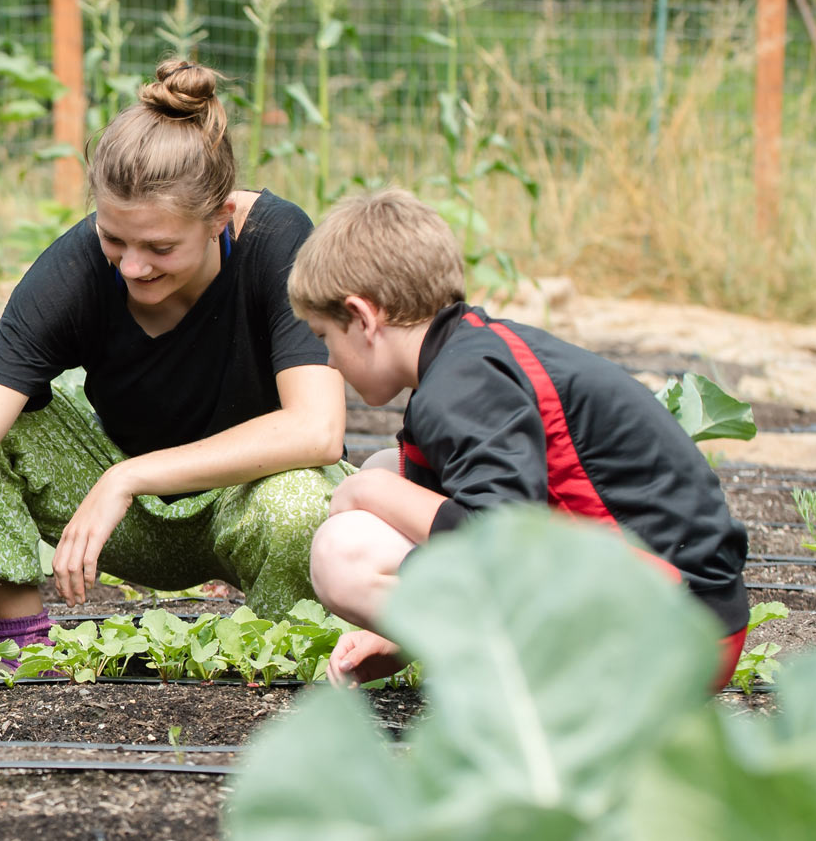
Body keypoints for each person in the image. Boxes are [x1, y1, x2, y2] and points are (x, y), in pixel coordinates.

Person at [0, 60, 352, 681]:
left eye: (160, 248)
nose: (132, 267)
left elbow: (316, 430)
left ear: (221, 218)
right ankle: (23, 636)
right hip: (119, 525)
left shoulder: (275, 238)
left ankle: (288, 661)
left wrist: (129, 476)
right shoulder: (76, 270)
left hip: (248, 503)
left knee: (300, 503)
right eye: (114, 239)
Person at [286, 187, 750, 688]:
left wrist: (367, 492)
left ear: (362, 317)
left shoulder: (461, 385)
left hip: (673, 628)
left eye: (323, 337)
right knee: (385, 468)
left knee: (344, 551)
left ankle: (535, 696)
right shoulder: (466, 359)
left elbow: (500, 531)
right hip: (679, 604)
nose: (328, 361)